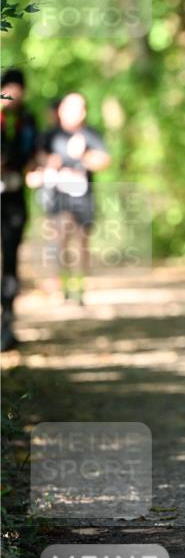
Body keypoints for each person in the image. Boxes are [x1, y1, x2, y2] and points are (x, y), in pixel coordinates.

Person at [34, 92, 110, 304]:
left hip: (83, 196)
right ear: (60, 111)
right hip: (57, 195)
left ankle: (79, 288)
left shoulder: (90, 134)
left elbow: (104, 159)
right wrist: (51, 163)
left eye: (79, 108)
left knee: (82, 242)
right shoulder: (50, 136)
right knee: (59, 239)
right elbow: (37, 158)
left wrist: (83, 156)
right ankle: (62, 286)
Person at [0, 68, 38, 351]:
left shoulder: (28, 120)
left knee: (11, 258)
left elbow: (34, 152)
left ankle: (8, 322)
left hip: (14, 198)